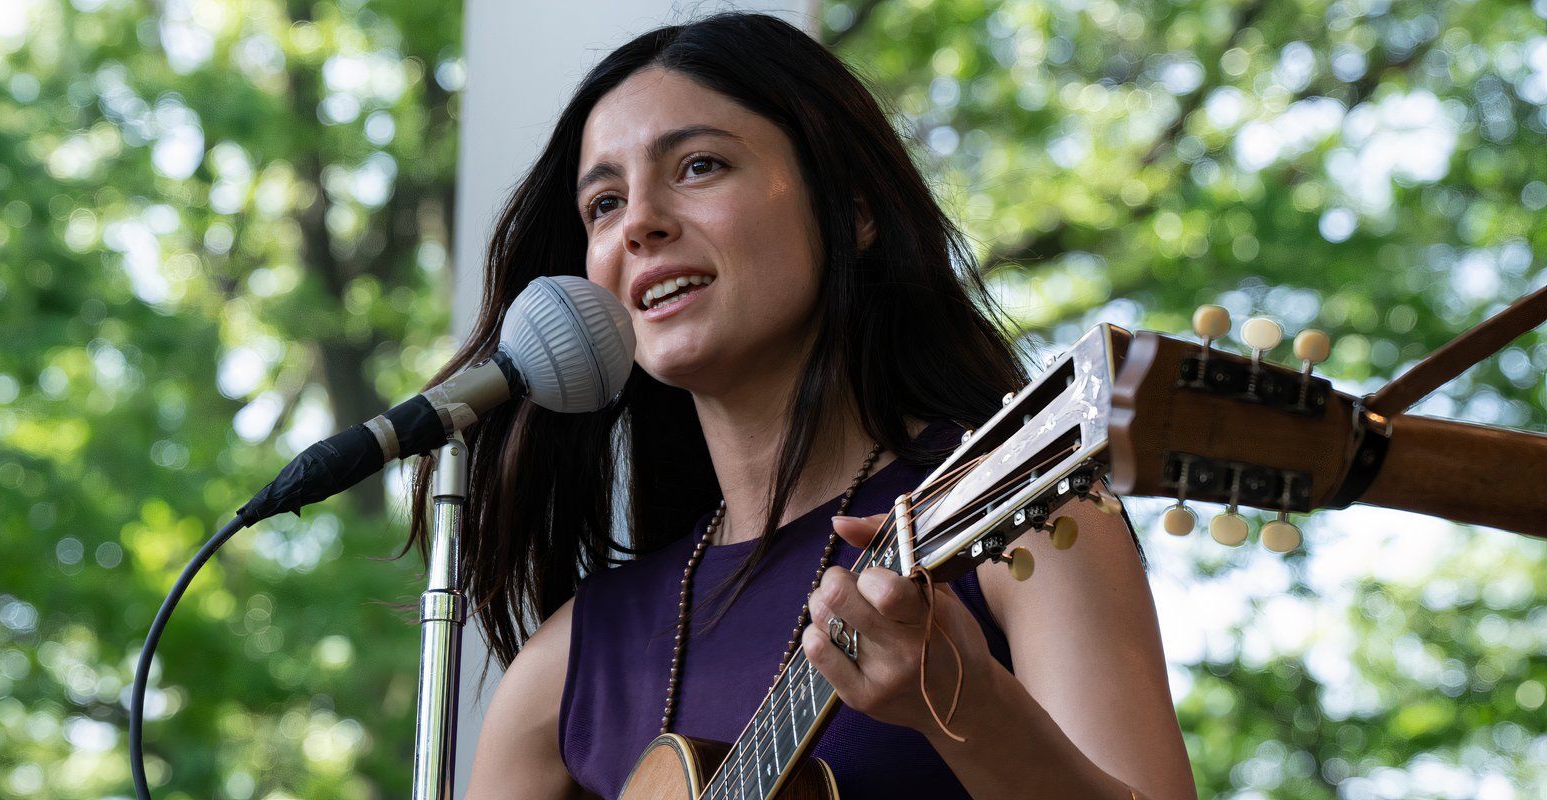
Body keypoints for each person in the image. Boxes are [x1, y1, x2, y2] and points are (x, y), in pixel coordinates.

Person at [408, 12, 1195, 800]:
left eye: (699, 165)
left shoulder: (1025, 519)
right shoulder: (568, 667)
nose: (639, 222)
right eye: (604, 204)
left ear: (852, 211)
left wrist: (971, 707)